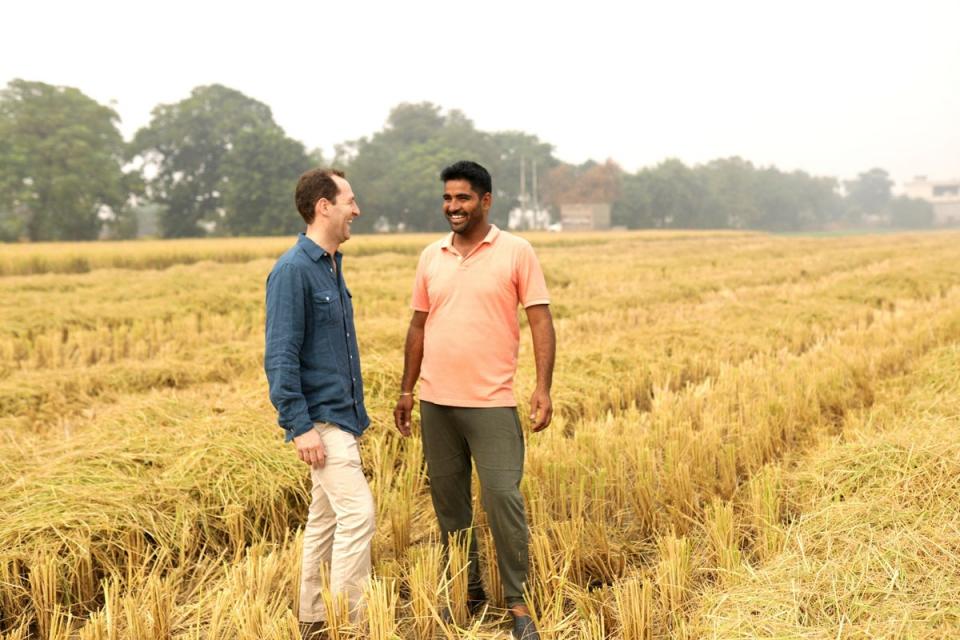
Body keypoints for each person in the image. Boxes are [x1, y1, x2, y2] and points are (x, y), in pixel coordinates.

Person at [393, 160, 556, 640]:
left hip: (492, 402)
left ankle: (518, 602)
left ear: (486, 200)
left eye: (462, 198)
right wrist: (406, 389)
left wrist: (543, 386)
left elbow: (541, 321)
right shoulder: (431, 256)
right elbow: (418, 326)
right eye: (447, 198)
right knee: (450, 506)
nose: (452, 207)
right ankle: (467, 589)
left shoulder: (517, 252)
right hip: (435, 403)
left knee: (503, 497)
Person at [264, 168, 375, 640]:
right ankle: (351, 624)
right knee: (358, 515)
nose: (357, 209)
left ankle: (312, 618)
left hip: (341, 418)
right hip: (321, 422)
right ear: (323, 206)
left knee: (326, 518)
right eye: (349, 199)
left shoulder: (330, 264)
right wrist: (299, 425)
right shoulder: (293, 270)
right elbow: (281, 355)